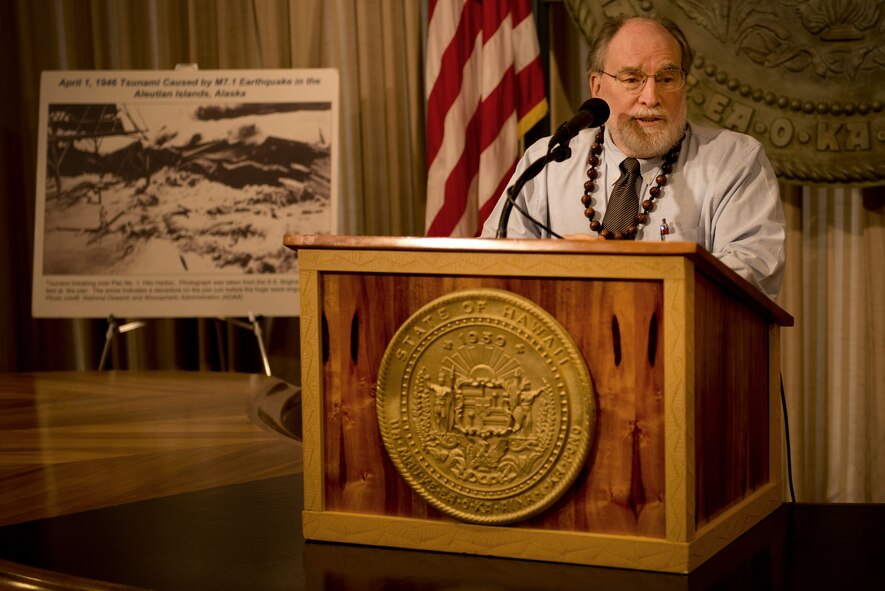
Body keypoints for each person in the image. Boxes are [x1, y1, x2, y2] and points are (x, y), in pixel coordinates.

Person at [481, 15, 785, 301]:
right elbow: (494, 261)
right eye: (632, 79)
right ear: (597, 87)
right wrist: (563, 266)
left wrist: (622, 274)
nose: (651, 97)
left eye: (667, 78)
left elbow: (752, 271)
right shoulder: (548, 162)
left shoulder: (735, 161)